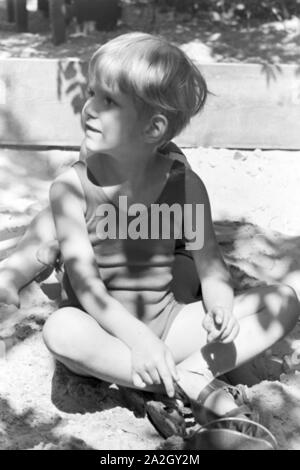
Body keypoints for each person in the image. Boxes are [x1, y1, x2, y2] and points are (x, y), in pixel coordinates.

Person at [0, 32, 299, 447]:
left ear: (153, 127)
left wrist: (220, 306)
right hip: (105, 334)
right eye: (91, 93)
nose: (88, 107)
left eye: (108, 101)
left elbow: (210, 265)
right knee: (61, 329)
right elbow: (87, 287)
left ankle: (195, 372)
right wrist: (139, 341)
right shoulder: (70, 187)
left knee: (281, 300)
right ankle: (185, 384)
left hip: (170, 325)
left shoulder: (185, 185)